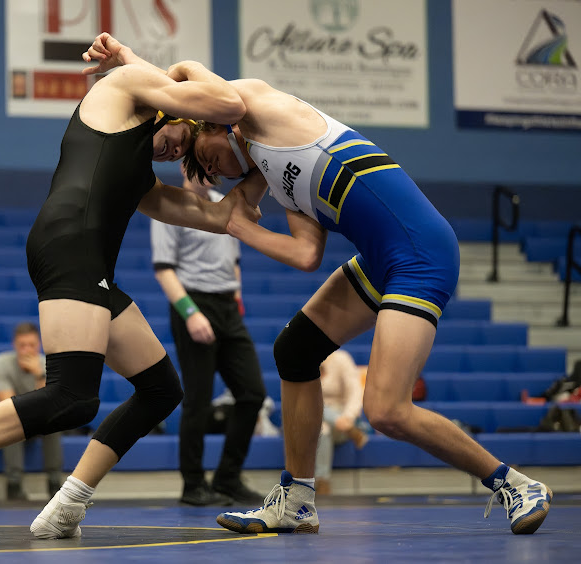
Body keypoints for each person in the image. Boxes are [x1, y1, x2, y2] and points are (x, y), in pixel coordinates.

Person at [0, 33, 253, 544]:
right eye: (185, 139)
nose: (176, 150)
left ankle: (67, 504)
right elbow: (230, 103)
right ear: (182, 107)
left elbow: (224, 217)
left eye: (183, 155)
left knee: (162, 389)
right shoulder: (124, 84)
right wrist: (180, 68)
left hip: (87, 262)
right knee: (71, 397)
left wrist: (265, 174)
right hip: (68, 246)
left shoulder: (141, 180)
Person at [166, 73, 553, 536]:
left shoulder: (261, 107)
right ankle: (297, 501)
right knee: (295, 351)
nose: (222, 171)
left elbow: (193, 72)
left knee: (387, 411)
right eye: (214, 173)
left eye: (210, 156)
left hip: (421, 257)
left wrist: (131, 63)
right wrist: (233, 223)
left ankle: (515, 484)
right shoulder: (279, 182)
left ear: (213, 122)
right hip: (380, 260)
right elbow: (306, 255)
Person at [151, 163, 266, 506]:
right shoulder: (168, 207)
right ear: (185, 169)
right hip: (194, 303)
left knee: (252, 393)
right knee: (198, 400)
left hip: (227, 306)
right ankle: (193, 484)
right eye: (195, 167)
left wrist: (238, 296)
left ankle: (228, 479)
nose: (204, 174)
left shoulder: (224, 204)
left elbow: (233, 260)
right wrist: (190, 314)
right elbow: (164, 269)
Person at [0, 322, 63, 501]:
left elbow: (50, 404)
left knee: (54, 421)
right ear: (15, 345)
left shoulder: (48, 366)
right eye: (22, 345)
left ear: (39, 345)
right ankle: (14, 484)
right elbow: (9, 405)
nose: (27, 350)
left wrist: (39, 375)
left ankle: (54, 483)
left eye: (32, 345)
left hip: (35, 417)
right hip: (4, 419)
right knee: (11, 421)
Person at [314, 350, 368, 495]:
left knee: (322, 421)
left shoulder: (341, 359)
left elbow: (355, 391)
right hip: (310, 421)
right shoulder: (303, 359)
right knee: (314, 408)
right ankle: (322, 481)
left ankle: (322, 480)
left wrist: (348, 417)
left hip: (341, 420)